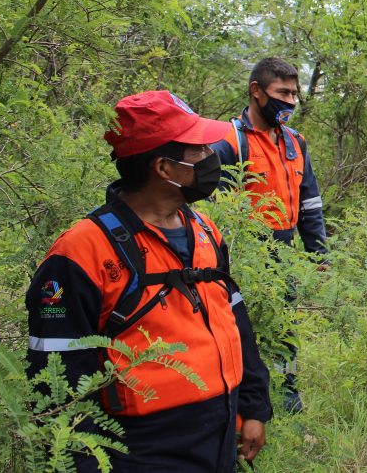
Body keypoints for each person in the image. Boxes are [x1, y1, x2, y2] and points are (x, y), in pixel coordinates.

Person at [26, 90, 273, 472]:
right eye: (199, 150)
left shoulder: (205, 231)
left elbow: (237, 325)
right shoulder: (81, 252)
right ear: (164, 168)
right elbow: (56, 377)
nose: (212, 157)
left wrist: (253, 407)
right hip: (139, 450)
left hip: (219, 434)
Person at [212, 57, 328, 412]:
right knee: (238, 327)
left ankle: (288, 393)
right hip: (244, 250)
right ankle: (237, 397)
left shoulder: (296, 142)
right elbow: (211, 203)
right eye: (283, 93)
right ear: (256, 92)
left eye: (294, 94)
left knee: (284, 325)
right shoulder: (229, 142)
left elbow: (310, 201)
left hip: (285, 248)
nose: (290, 101)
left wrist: (318, 253)